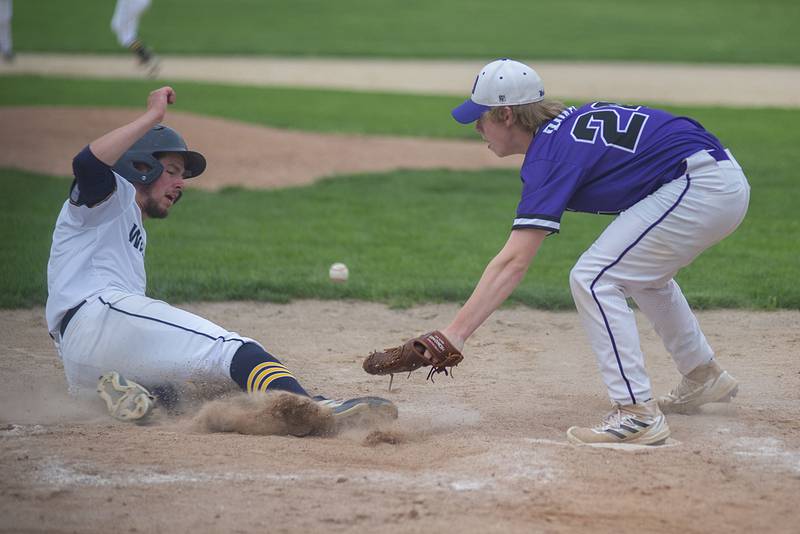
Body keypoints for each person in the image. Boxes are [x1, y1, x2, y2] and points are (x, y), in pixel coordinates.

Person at [382, 58, 749, 445]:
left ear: (506, 115)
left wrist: (455, 333)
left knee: (593, 278)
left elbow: (513, 261)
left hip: (701, 186)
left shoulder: (550, 154)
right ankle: (703, 375)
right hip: (714, 178)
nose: (476, 128)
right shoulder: (566, 129)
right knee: (642, 276)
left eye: (481, 118)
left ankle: (637, 413)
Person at [46, 85, 396, 430]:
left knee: (195, 391)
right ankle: (315, 409)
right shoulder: (111, 195)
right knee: (233, 351)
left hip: (83, 364)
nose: (180, 183)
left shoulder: (125, 220)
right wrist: (152, 117)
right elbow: (85, 162)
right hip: (102, 320)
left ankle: (144, 397)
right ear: (141, 167)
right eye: (171, 170)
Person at [111, 0, 160, 77]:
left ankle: (147, 57)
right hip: (136, 2)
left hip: (132, 2)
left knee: (122, 31)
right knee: (125, 31)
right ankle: (144, 55)